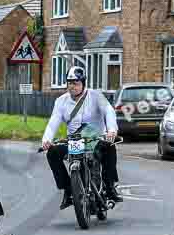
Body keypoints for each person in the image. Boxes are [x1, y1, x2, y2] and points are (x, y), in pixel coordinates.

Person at [41, 67, 123, 209]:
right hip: (74, 141)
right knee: (52, 153)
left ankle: (110, 187)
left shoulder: (96, 96)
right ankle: (68, 190)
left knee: (110, 148)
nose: (72, 86)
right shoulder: (61, 101)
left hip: (96, 138)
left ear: (83, 83)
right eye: (69, 83)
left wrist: (111, 130)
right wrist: (47, 139)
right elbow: (53, 122)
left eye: (76, 83)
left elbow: (109, 111)